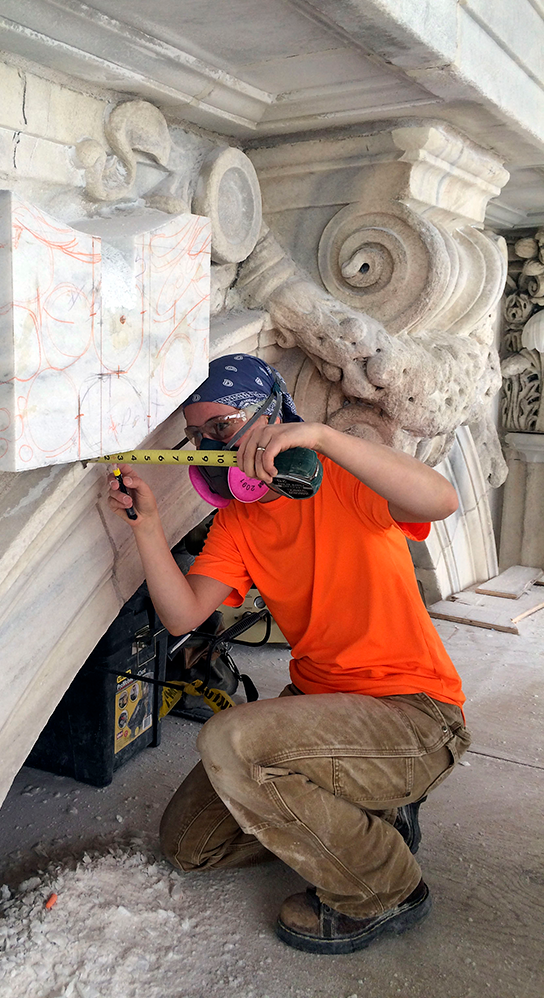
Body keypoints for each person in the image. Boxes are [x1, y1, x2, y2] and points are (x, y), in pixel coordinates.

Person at [106, 353, 470, 955]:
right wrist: (146, 529)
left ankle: (386, 885)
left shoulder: (348, 482)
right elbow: (182, 615)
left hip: (414, 714)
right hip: (321, 708)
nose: (211, 449)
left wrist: (324, 438)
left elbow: (440, 500)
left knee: (230, 741)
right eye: (197, 439)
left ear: (272, 414)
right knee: (190, 846)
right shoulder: (239, 523)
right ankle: (360, 817)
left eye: (221, 429)